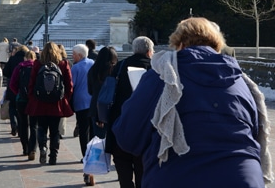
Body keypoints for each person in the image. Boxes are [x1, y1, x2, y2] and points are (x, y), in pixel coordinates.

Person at [113, 18, 273, 188]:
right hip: (242, 178)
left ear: (178, 43)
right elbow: (253, 131)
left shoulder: (162, 75)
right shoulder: (241, 81)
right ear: (217, 44)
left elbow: (127, 136)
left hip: (177, 177)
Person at [105, 36, 154, 188]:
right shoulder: (154, 69)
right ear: (149, 51)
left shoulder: (119, 66)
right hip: (145, 129)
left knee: (123, 170)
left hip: (119, 125)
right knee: (143, 170)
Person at [26, 41, 73, 165]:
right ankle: (53, 156)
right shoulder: (63, 63)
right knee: (55, 131)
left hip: (40, 102)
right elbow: (69, 84)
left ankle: (42, 148)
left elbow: (31, 83)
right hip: (57, 103)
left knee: (41, 127)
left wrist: (32, 98)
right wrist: (65, 98)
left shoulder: (37, 64)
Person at [9, 49, 38, 160]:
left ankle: (25, 148)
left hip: (21, 100)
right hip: (34, 100)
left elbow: (12, 84)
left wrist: (18, 93)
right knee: (34, 125)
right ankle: (33, 149)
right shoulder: (37, 67)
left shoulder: (19, 67)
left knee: (23, 124)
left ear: (25, 57)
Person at [87, 45, 118, 138]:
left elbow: (90, 90)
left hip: (96, 107)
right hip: (114, 108)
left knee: (99, 141)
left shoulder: (93, 70)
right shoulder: (115, 70)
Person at [71, 44, 95, 165]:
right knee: (93, 130)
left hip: (81, 102)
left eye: (74, 54)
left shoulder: (75, 68)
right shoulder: (93, 63)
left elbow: (72, 85)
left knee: (83, 130)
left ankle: (85, 154)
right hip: (93, 101)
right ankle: (93, 154)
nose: (72, 56)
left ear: (80, 55)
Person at [3, 44, 27, 136]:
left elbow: (5, 72)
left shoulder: (12, 59)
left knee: (12, 107)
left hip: (12, 86)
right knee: (22, 109)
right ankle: (21, 129)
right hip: (23, 88)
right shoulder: (27, 59)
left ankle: (13, 124)